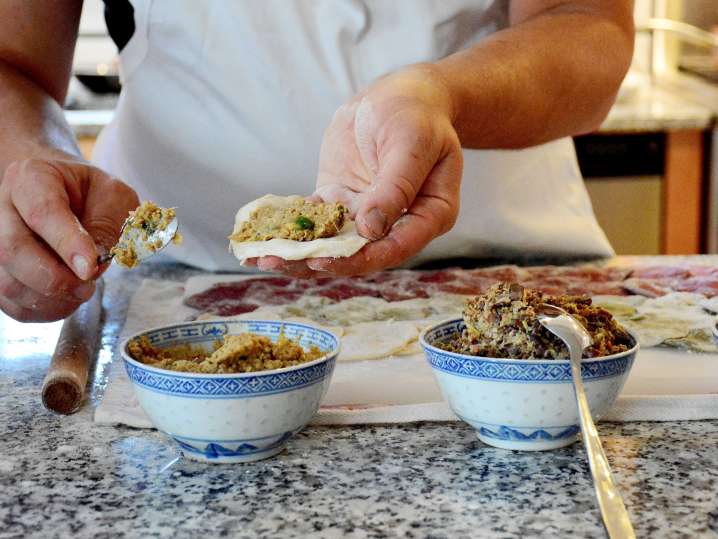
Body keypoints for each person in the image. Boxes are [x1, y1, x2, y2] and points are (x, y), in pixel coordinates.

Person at [0, 0, 634, 322]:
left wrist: (442, 95)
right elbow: (14, 63)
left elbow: (587, 27)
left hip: (502, 278)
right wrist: (31, 162)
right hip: (173, 288)